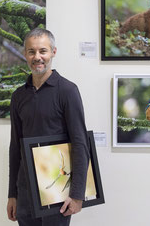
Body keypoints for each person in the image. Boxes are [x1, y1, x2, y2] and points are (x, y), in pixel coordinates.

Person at [7, 28, 90, 226]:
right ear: (25, 54)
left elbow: (80, 143)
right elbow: (15, 147)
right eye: (31, 52)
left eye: (42, 51)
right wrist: (13, 194)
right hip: (25, 190)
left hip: (57, 189)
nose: (37, 57)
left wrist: (78, 194)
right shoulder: (18, 96)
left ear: (53, 52)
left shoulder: (68, 91)